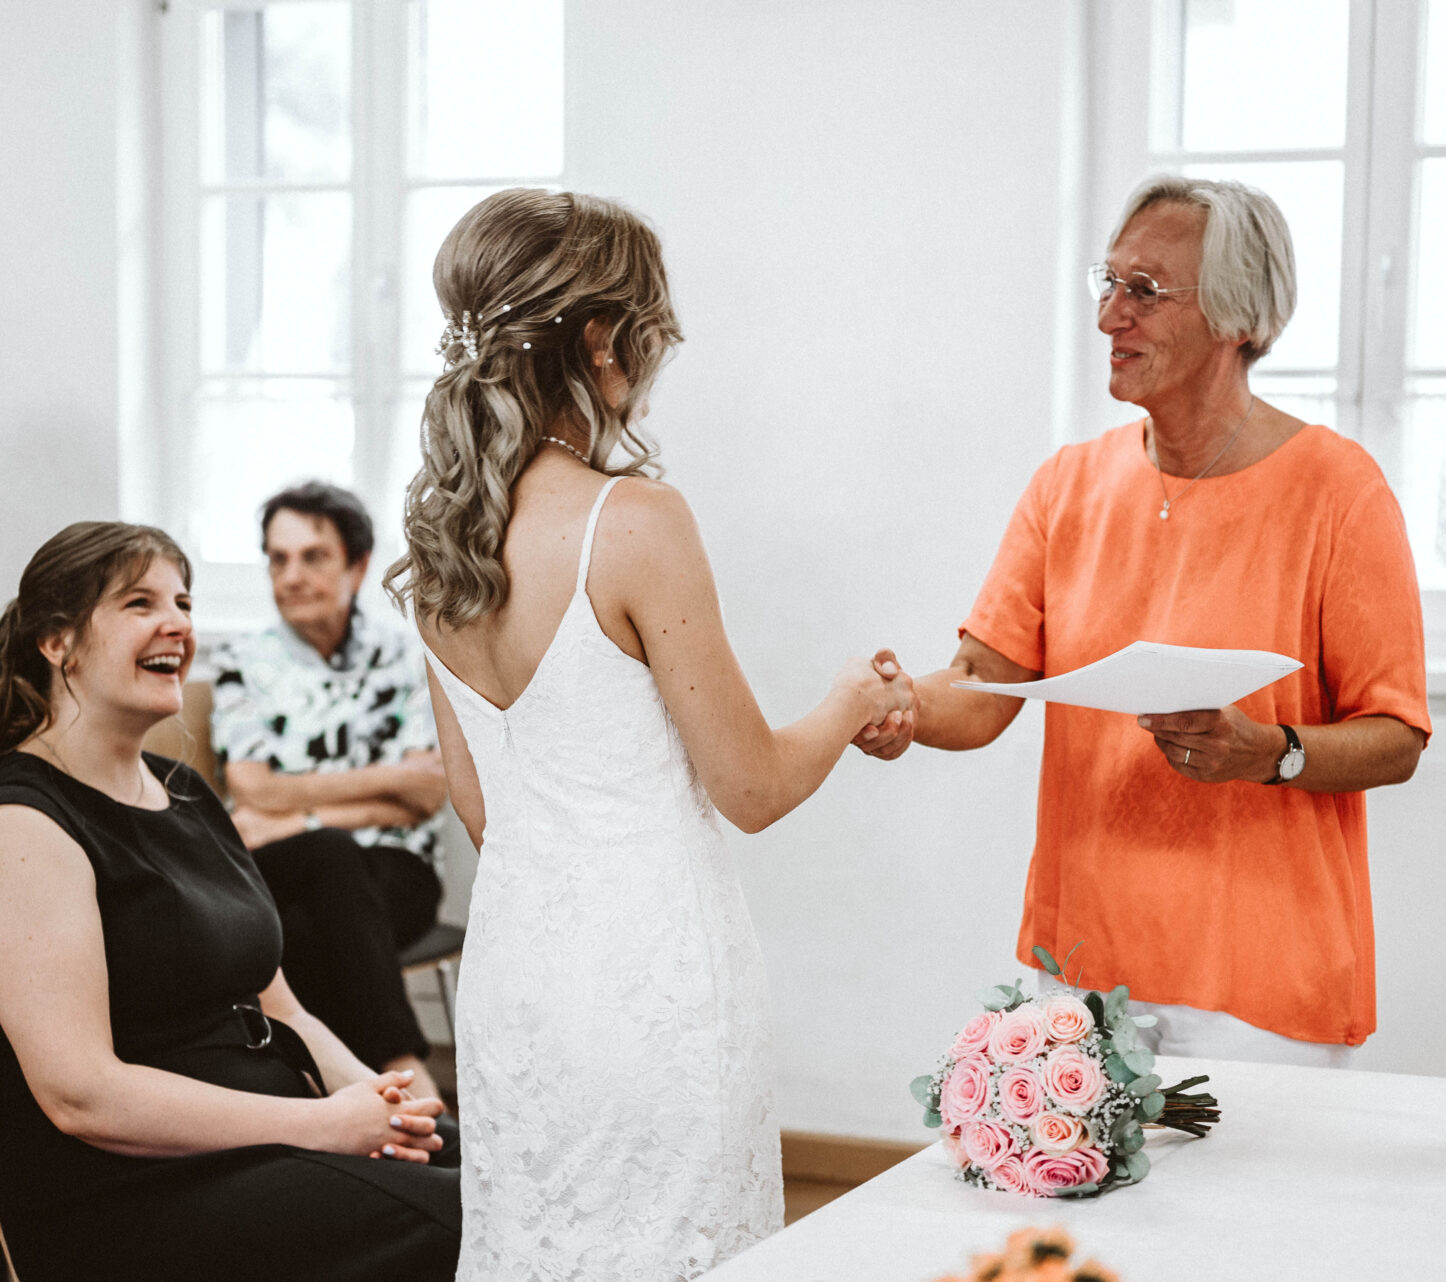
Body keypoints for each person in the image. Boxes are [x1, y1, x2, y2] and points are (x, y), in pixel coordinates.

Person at [385, 187, 911, 1279]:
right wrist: (850, 700)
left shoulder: (441, 542)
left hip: (517, 978)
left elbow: (483, 810)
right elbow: (752, 788)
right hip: (655, 977)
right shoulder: (633, 522)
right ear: (600, 343)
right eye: (650, 333)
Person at [859, 175, 1431, 1064]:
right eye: (1108, 282)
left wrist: (1270, 753)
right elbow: (981, 686)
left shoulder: (1339, 491)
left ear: (1237, 317)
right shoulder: (1068, 484)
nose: (1108, 317)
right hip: (1085, 968)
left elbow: (1395, 737)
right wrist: (900, 705)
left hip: (1264, 983)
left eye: (1145, 291)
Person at [0, 521, 458, 1280]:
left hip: (262, 1141)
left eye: (183, 602)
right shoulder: (23, 822)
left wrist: (391, 1104)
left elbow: (286, 1011)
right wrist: (320, 1124)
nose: (177, 623)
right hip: (133, 1197)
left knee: (506, 1171)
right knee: (472, 1219)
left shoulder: (184, 791)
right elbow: (81, 1096)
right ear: (57, 641)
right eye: (140, 603)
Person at [208, 481, 449, 1098]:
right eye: (278, 558)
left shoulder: (408, 657)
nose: (291, 576)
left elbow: (426, 794)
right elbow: (251, 786)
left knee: (307, 927)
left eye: (313, 556)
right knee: (328, 864)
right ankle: (402, 1077)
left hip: (396, 867)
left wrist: (297, 814)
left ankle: (326, 1093)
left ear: (358, 565)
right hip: (281, 865)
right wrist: (389, 779)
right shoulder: (242, 660)